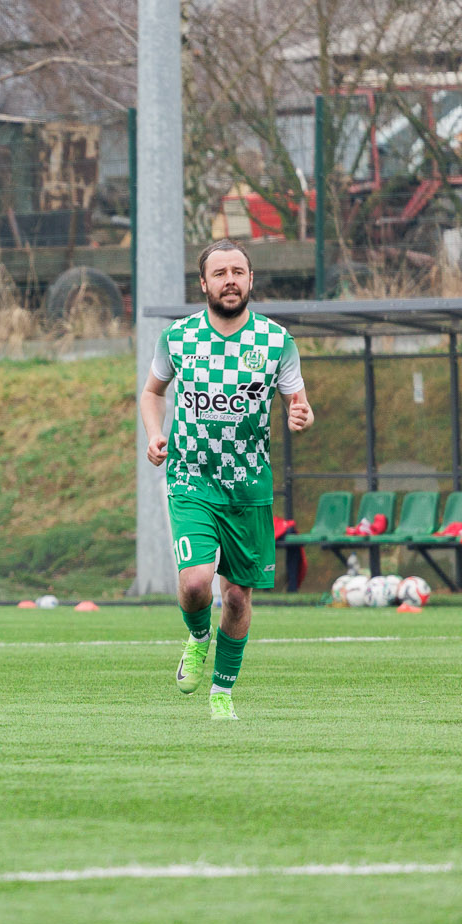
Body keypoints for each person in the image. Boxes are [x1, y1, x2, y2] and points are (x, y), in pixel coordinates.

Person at [138, 239, 313, 722]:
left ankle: (222, 694)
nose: (230, 280)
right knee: (196, 582)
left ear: (251, 279)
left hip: (248, 487)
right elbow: (152, 393)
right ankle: (198, 636)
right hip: (191, 478)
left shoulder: (277, 342)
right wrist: (155, 434)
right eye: (220, 273)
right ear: (204, 283)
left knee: (236, 595)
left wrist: (301, 415)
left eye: (238, 271)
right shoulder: (178, 338)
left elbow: (298, 402)